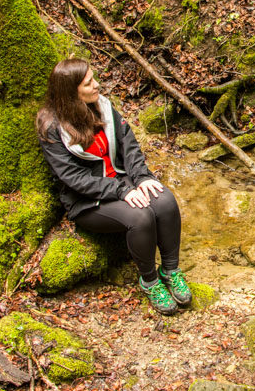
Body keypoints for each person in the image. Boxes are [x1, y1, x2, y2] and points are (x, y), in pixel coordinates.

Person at [35, 58, 190, 315]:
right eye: (88, 83)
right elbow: (72, 178)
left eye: (93, 78)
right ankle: (150, 281)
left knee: (164, 200)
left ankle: (171, 270)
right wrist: (122, 191)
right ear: (71, 91)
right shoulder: (52, 127)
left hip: (121, 181)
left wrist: (142, 178)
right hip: (87, 200)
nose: (97, 85)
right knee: (141, 217)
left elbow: (129, 146)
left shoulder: (102, 107)